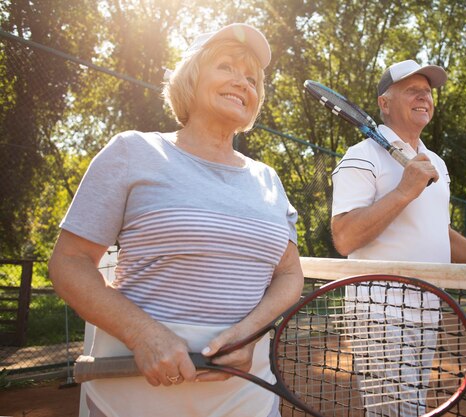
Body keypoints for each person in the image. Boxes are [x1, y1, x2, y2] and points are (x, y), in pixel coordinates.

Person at [48, 23, 304, 417]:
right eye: (226, 67)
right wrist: (143, 334)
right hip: (133, 396)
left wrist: (250, 333)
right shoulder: (133, 151)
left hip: (245, 395)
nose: (242, 82)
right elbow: (69, 262)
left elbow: (289, 274)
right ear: (192, 76)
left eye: (252, 78)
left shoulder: (268, 178)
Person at [331, 60, 466, 416]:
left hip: (429, 309)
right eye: (412, 89)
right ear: (384, 103)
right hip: (381, 312)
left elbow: (437, 230)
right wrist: (405, 190)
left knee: (411, 407)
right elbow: (345, 237)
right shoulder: (360, 157)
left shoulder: (435, 162)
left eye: (428, 90)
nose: (424, 95)